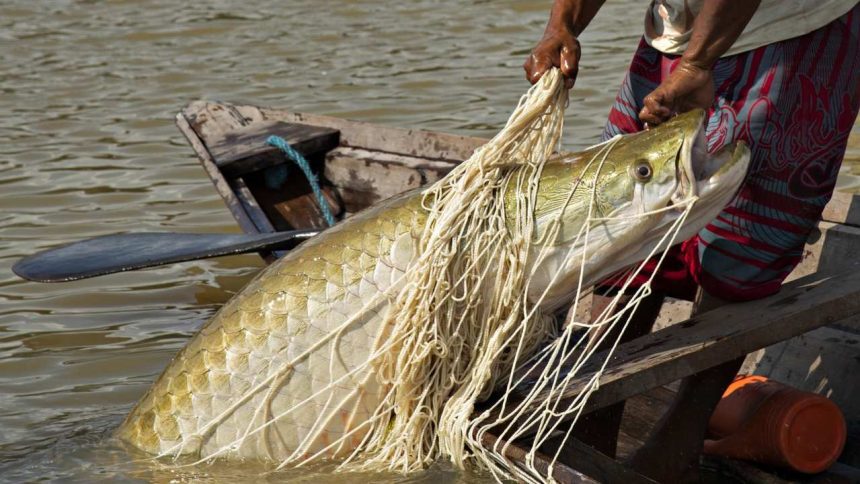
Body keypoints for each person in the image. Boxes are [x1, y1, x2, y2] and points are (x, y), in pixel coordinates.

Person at [525, 0, 860, 481]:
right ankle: (594, 416)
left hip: (791, 30)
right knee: (624, 215)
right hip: (677, 31)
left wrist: (699, 65)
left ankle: (678, 443)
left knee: (742, 239)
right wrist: (562, 25)